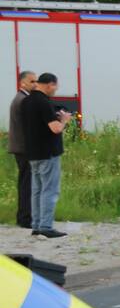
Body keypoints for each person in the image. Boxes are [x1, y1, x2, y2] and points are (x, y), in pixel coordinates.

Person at [22, 73, 71, 238]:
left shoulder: (27, 101)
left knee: (36, 190)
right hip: (48, 152)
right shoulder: (44, 102)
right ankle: (46, 226)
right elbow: (55, 128)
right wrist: (64, 120)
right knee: (49, 190)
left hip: (32, 152)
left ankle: (36, 225)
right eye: (55, 86)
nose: (56, 90)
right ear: (50, 84)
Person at [7, 70, 36, 228]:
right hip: (24, 148)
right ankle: (25, 218)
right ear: (22, 83)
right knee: (27, 183)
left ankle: (23, 216)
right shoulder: (23, 100)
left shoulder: (20, 98)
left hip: (19, 147)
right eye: (32, 81)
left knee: (25, 181)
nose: (35, 84)